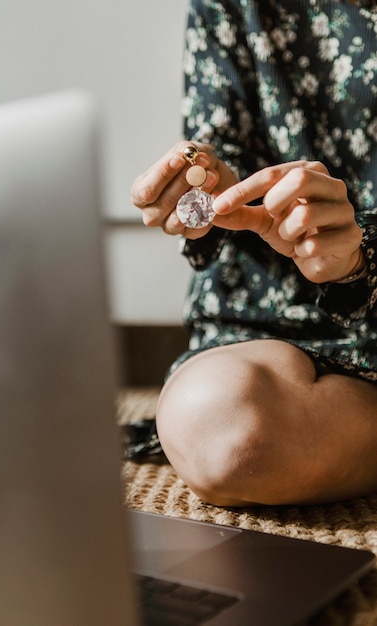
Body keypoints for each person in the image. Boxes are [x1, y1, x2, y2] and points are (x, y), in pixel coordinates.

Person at [131, 0, 377, 507]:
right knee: (222, 432)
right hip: (261, 326)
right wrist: (208, 178)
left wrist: (360, 256)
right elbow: (215, 153)